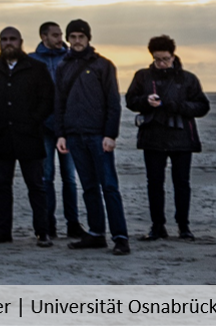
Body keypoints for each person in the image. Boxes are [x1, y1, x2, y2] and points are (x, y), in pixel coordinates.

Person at [52, 20, 129, 255]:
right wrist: (61, 135)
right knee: (88, 187)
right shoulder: (63, 66)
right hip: (74, 135)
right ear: (68, 38)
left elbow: (113, 103)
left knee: (109, 186)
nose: (77, 41)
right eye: (73, 36)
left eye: (81, 37)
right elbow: (59, 103)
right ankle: (96, 233)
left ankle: (120, 237)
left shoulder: (103, 65)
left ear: (88, 38)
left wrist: (110, 134)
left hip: (98, 135)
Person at [0, 27, 55, 246]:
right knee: (2, 186)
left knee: (36, 186)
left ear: (21, 42)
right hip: (0, 136)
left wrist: (34, 119)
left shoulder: (37, 68)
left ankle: (42, 231)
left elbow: (47, 99)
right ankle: (3, 231)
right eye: (5, 40)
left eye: (13, 39)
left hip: (30, 136)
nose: (9, 43)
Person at [126, 35, 209, 242]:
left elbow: (202, 106)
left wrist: (175, 105)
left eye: (165, 59)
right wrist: (146, 101)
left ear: (173, 56)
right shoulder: (143, 76)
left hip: (181, 138)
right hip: (152, 137)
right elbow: (130, 101)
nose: (162, 63)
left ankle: (184, 226)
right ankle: (157, 226)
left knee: (181, 183)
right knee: (154, 183)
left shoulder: (188, 78)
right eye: (157, 59)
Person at [31, 21, 84, 241]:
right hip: (43, 126)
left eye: (60, 34)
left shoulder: (69, 57)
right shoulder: (33, 60)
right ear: (44, 36)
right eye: (55, 35)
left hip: (67, 126)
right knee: (46, 177)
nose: (59, 38)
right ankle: (48, 224)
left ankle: (73, 223)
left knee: (69, 178)